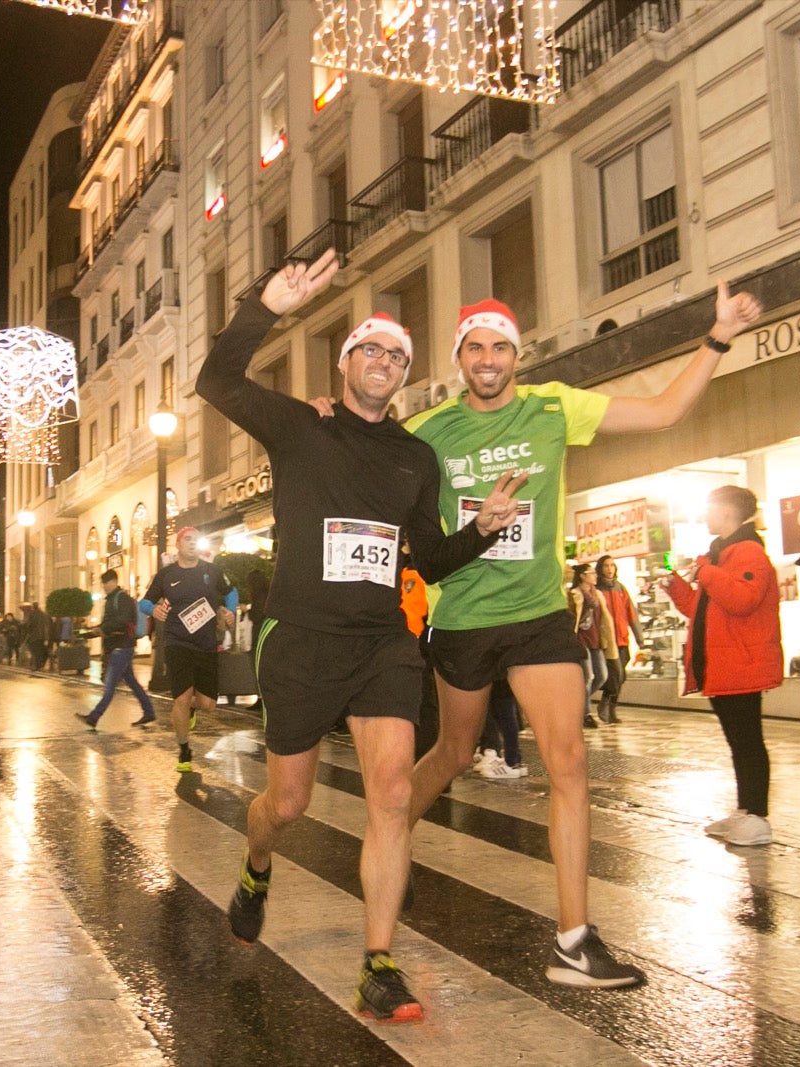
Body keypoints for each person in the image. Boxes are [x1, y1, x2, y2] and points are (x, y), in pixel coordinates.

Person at [197, 250, 524, 1022]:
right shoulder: (300, 427)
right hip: (303, 637)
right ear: (346, 365)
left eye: (396, 355)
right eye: (369, 349)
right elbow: (217, 382)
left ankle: (379, 962)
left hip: (383, 640)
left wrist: (479, 529)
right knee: (289, 802)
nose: (383, 360)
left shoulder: (414, 457)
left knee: (394, 792)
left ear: (404, 374)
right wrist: (263, 306)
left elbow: (430, 553)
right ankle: (254, 865)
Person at [403, 283, 761, 988]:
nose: (487, 357)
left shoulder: (552, 406)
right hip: (465, 618)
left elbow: (663, 411)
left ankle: (573, 940)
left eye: (499, 345)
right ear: (458, 359)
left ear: (517, 355)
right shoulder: (429, 433)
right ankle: (392, 839)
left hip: (537, 614)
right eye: (474, 346)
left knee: (567, 761)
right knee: (451, 749)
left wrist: (717, 337)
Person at [662, 486, 783, 847]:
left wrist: (705, 572)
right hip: (725, 663)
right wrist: (677, 587)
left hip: (742, 662)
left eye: (710, 509)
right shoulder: (721, 556)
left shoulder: (747, 552)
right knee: (738, 741)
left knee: (747, 741)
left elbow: (742, 599)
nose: (705, 517)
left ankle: (758, 816)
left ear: (728, 511)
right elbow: (702, 610)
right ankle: (746, 811)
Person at [140, 527, 238, 773]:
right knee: (181, 698)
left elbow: (231, 591)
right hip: (177, 642)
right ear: (178, 545)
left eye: (196, 540)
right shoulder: (166, 575)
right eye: (187, 539)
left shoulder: (211, 571)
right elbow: (144, 601)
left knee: (208, 705)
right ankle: (184, 749)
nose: (192, 543)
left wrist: (230, 611)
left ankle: (193, 708)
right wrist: (152, 610)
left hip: (205, 643)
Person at [76, 569, 156, 730]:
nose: (104, 586)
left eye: (105, 583)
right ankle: (149, 712)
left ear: (113, 581)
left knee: (110, 685)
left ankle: (94, 717)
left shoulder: (122, 598)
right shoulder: (113, 599)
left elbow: (123, 620)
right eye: (103, 583)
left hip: (122, 647)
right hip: (119, 646)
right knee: (132, 683)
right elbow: (109, 624)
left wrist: (102, 629)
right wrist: (89, 633)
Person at [594, 556, 643, 724]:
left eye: (612, 566)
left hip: (622, 639)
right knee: (616, 675)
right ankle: (606, 706)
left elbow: (631, 613)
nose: (609, 569)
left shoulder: (620, 588)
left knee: (621, 677)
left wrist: (639, 637)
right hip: (606, 642)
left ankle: (611, 708)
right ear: (600, 568)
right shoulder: (596, 589)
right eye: (606, 566)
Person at [568, 563, 612, 730]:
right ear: (582, 576)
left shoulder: (598, 594)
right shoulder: (574, 594)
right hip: (580, 640)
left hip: (596, 639)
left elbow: (604, 619)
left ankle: (576, 703)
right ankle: (585, 714)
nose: (595, 575)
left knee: (601, 676)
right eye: (591, 573)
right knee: (587, 677)